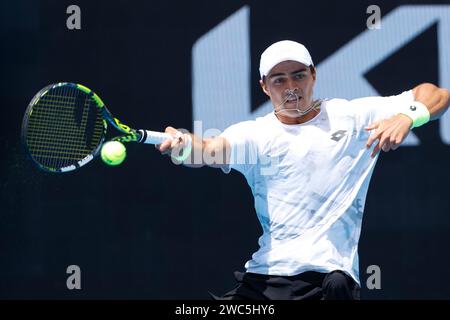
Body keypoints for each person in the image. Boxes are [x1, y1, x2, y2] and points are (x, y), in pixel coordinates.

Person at [156, 40, 450, 300]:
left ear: (313, 75)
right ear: (264, 86)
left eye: (298, 76)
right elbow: (208, 149)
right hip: (265, 281)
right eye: (279, 80)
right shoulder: (255, 135)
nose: (291, 87)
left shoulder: (352, 117)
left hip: (330, 280)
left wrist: (408, 117)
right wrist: (183, 143)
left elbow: (436, 94)